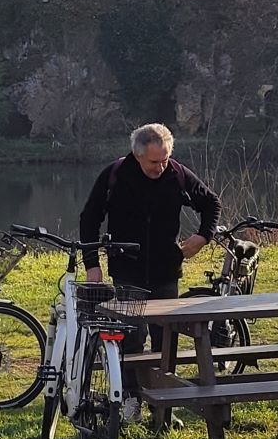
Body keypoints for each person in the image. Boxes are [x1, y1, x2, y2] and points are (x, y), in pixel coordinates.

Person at [79, 123, 221, 422]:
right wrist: (92, 263)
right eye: (154, 161)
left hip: (165, 270)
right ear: (137, 155)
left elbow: (211, 203)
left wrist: (202, 236)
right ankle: (131, 399)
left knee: (164, 341)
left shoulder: (177, 174)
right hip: (127, 270)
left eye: (165, 158)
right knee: (131, 338)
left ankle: (163, 408)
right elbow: (89, 218)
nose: (161, 166)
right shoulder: (115, 175)